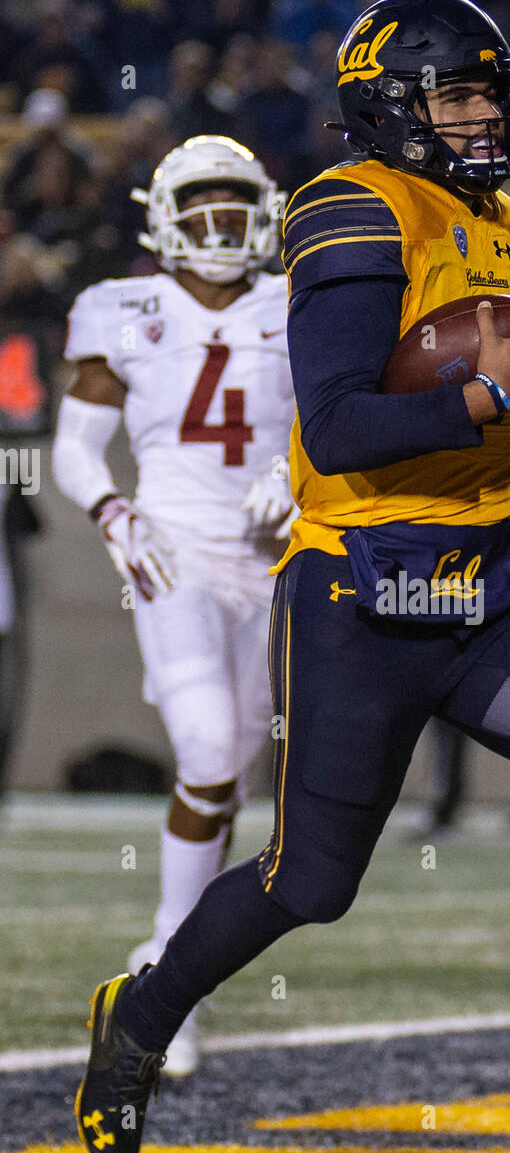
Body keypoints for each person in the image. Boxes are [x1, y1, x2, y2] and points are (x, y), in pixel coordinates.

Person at [75, 0, 510, 1153]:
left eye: (491, 91)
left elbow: (486, 444)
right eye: (458, 93)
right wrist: (484, 393)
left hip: (488, 581)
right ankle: (138, 1020)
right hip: (363, 593)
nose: (485, 114)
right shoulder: (348, 208)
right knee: (311, 882)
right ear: (389, 103)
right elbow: (344, 423)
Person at [55, 136, 292, 1074]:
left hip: (282, 561)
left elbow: (341, 413)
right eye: (204, 210)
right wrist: (112, 508)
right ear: (165, 219)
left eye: (238, 208)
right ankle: (166, 962)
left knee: (234, 766)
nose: (224, 227)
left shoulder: (296, 302)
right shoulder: (124, 308)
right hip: (174, 555)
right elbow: (76, 443)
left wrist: (299, 473)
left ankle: (171, 966)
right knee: (205, 748)